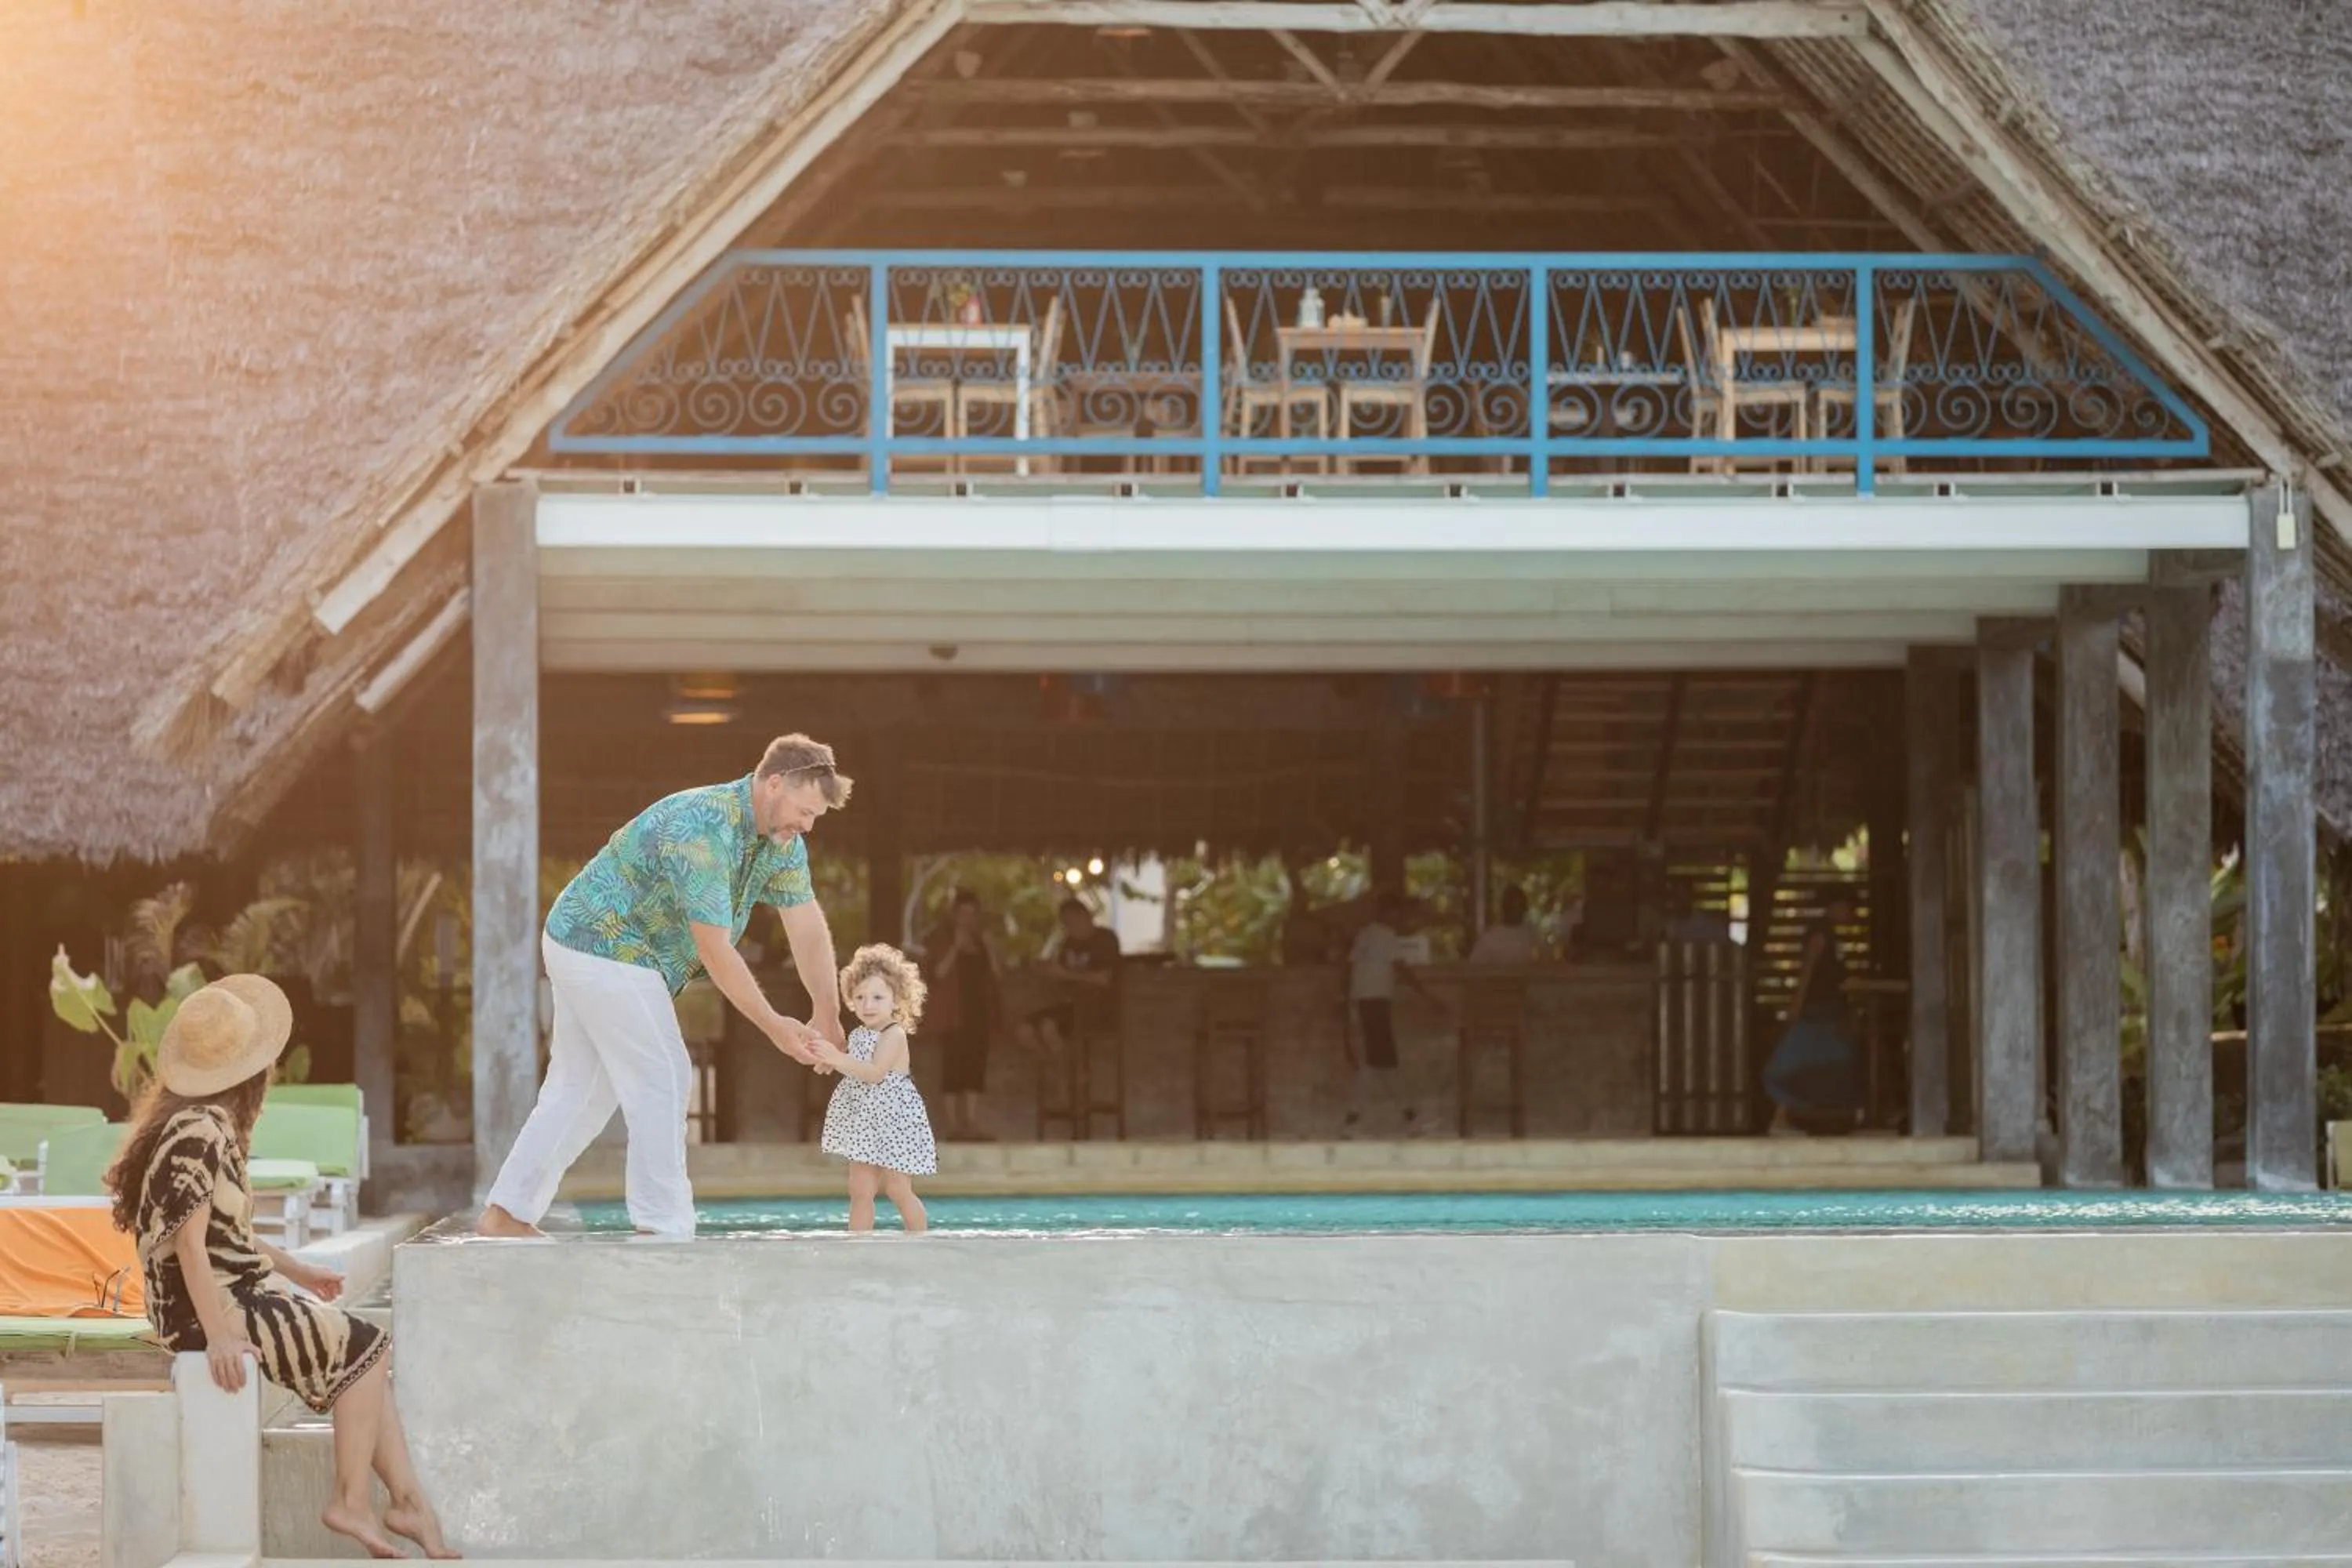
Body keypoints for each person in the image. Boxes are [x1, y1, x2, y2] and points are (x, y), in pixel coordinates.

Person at [110, 975, 459, 1560]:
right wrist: (219, 1337)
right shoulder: (197, 1134)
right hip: (208, 1311)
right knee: (366, 1346)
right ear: (252, 1071)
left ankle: (407, 1502)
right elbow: (190, 1249)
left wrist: (298, 1272)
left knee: (366, 1352)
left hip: (228, 1294)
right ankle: (351, 1501)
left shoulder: (202, 1125)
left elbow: (229, 1236)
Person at [480, 734, 851, 1240]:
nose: (806, 825)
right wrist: (775, 1027)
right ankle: (663, 1228)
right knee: (666, 1074)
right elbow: (715, 950)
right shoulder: (702, 826)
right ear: (775, 784)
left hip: (604, 950)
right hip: (604, 942)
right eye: (804, 810)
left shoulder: (781, 842)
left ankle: (507, 1214)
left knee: (580, 1089)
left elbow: (805, 924)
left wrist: (826, 1012)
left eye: (814, 817)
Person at [813, 945, 937, 1233]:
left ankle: (920, 1240)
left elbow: (875, 1073)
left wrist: (837, 1058)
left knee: (897, 1189)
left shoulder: (893, 1034)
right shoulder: (859, 1034)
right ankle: (858, 1246)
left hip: (894, 1120)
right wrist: (829, 1061)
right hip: (866, 1120)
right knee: (860, 1189)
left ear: (897, 1000)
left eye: (878, 997)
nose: (868, 1005)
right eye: (860, 997)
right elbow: (852, 1065)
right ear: (851, 1001)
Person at [1345, 894, 1446, 1136]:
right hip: (1377, 1001)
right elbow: (1402, 970)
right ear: (1390, 913)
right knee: (1379, 1062)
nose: (1401, 919)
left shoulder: (1365, 934)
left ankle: (1406, 1115)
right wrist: (1430, 998)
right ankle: (1354, 1119)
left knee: (1382, 1062)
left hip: (1364, 1000)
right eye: (1399, 914)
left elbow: (1350, 966)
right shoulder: (1388, 936)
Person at [1762, 893, 1861, 1135]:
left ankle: (1845, 1116)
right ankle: (1780, 1118)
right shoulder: (1820, 933)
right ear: (1837, 905)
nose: (1851, 916)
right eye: (1849, 909)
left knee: (1837, 1061)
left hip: (1830, 1011)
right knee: (1789, 1062)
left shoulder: (1832, 936)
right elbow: (1808, 969)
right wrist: (1797, 1003)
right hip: (1816, 1011)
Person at [923, 888, 1004, 1142]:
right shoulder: (941, 939)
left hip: (978, 1012)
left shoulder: (981, 941)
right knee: (953, 1067)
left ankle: (971, 1122)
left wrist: (990, 950)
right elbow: (938, 973)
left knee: (974, 1067)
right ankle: (954, 1125)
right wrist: (956, 947)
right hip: (952, 1013)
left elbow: (997, 975)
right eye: (963, 914)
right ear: (955, 915)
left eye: (972, 914)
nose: (968, 919)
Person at [1022, 896, 1121, 1067]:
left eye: (1071, 923)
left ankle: (1066, 1077)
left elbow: (1105, 979)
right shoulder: (1068, 943)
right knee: (1024, 1031)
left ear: (1084, 917)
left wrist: (1067, 975)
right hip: (1067, 1005)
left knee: (1048, 1027)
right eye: (1066, 924)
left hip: (1095, 1007)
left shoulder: (1105, 939)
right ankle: (1055, 1066)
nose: (1069, 929)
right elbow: (1060, 972)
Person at [1467, 884, 1549, 964]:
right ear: (1504, 908)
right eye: (1512, 907)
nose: (1517, 912)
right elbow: (1475, 970)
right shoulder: (1489, 940)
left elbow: (1546, 962)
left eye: (1521, 907)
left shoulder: (1532, 934)